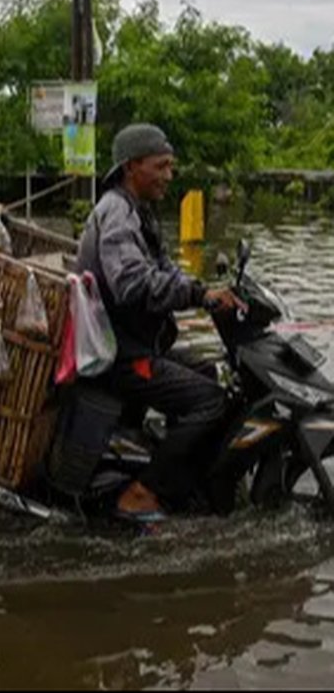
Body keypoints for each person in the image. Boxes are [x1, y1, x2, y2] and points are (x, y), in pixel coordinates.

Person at [76, 123, 242, 524]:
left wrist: (207, 290)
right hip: (119, 354)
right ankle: (144, 490)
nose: (170, 176)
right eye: (161, 166)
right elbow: (132, 284)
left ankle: (191, 480)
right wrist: (199, 296)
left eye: (171, 166)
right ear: (133, 166)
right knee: (210, 400)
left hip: (140, 344)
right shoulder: (116, 212)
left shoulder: (139, 211)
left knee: (219, 375)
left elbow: (165, 270)